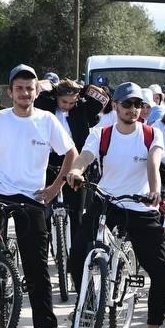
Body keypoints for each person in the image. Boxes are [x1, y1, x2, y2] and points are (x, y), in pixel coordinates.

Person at [0, 64, 77, 328]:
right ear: (10, 92)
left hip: (32, 198)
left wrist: (54, 188)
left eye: (30, 88)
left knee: (36, 265)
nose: (25, 93)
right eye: (19, 88)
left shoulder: (47, 120)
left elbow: (70, 153)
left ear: (37, 91)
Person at [65, 83, 165, 328]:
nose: (132, 110)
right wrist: (77, 171)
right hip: (107, 201)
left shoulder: (152, 134)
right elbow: (86, 156)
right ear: (114, 106)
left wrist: (154, 190)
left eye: (137, 105)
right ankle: (89, 303)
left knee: (162, 270)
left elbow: (154, 162)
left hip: (141, 205)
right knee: (78, 255)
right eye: (127, 104)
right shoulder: (101, 133)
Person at [35, 77, 104, 257]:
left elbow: (103, 99)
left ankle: (75, 255)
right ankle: (53, 245)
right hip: (49, 164)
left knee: (76, 214)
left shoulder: (82, 109)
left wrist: (84, 87)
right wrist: (51, 86)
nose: (67, 105)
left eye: (72, 102)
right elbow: (37, 88)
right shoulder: (45, 107)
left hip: (76, 165)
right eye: (64, 101)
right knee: (44, 212)